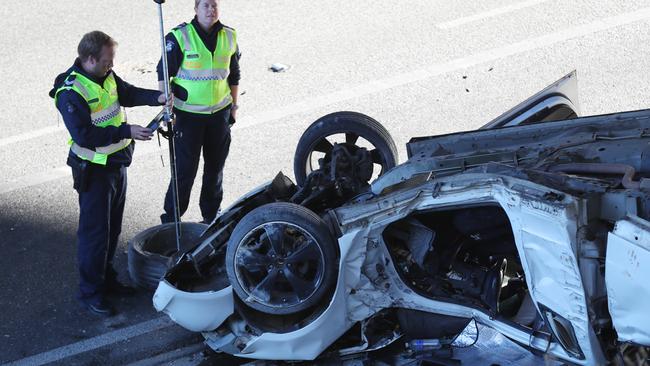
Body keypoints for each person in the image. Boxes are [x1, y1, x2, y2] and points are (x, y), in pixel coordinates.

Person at [49, 31, 167, 316]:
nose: (111, 65)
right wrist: (127, 131)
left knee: (112, 230)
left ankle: (107, 280)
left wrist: (158, 97)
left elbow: (126, 93)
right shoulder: (71, 92)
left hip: (115, 164)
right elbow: (85, 134)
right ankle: (90, 292)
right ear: (89, 59)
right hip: (94, 171)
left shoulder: (106, 76)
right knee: (95, 235)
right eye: (106, 61)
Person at [157, 0, 241, 224]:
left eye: (214, 5)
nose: (211, 10)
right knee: (185, 172)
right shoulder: (180, 37)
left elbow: (234, 74)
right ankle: (172, 220)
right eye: (205, 5)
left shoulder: (230, 36)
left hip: (219, 116)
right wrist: (167, 110)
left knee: (215, 170)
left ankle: (211, 217)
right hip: (188, 117)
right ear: (196, 9)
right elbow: (163, 74)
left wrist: (233, 106)